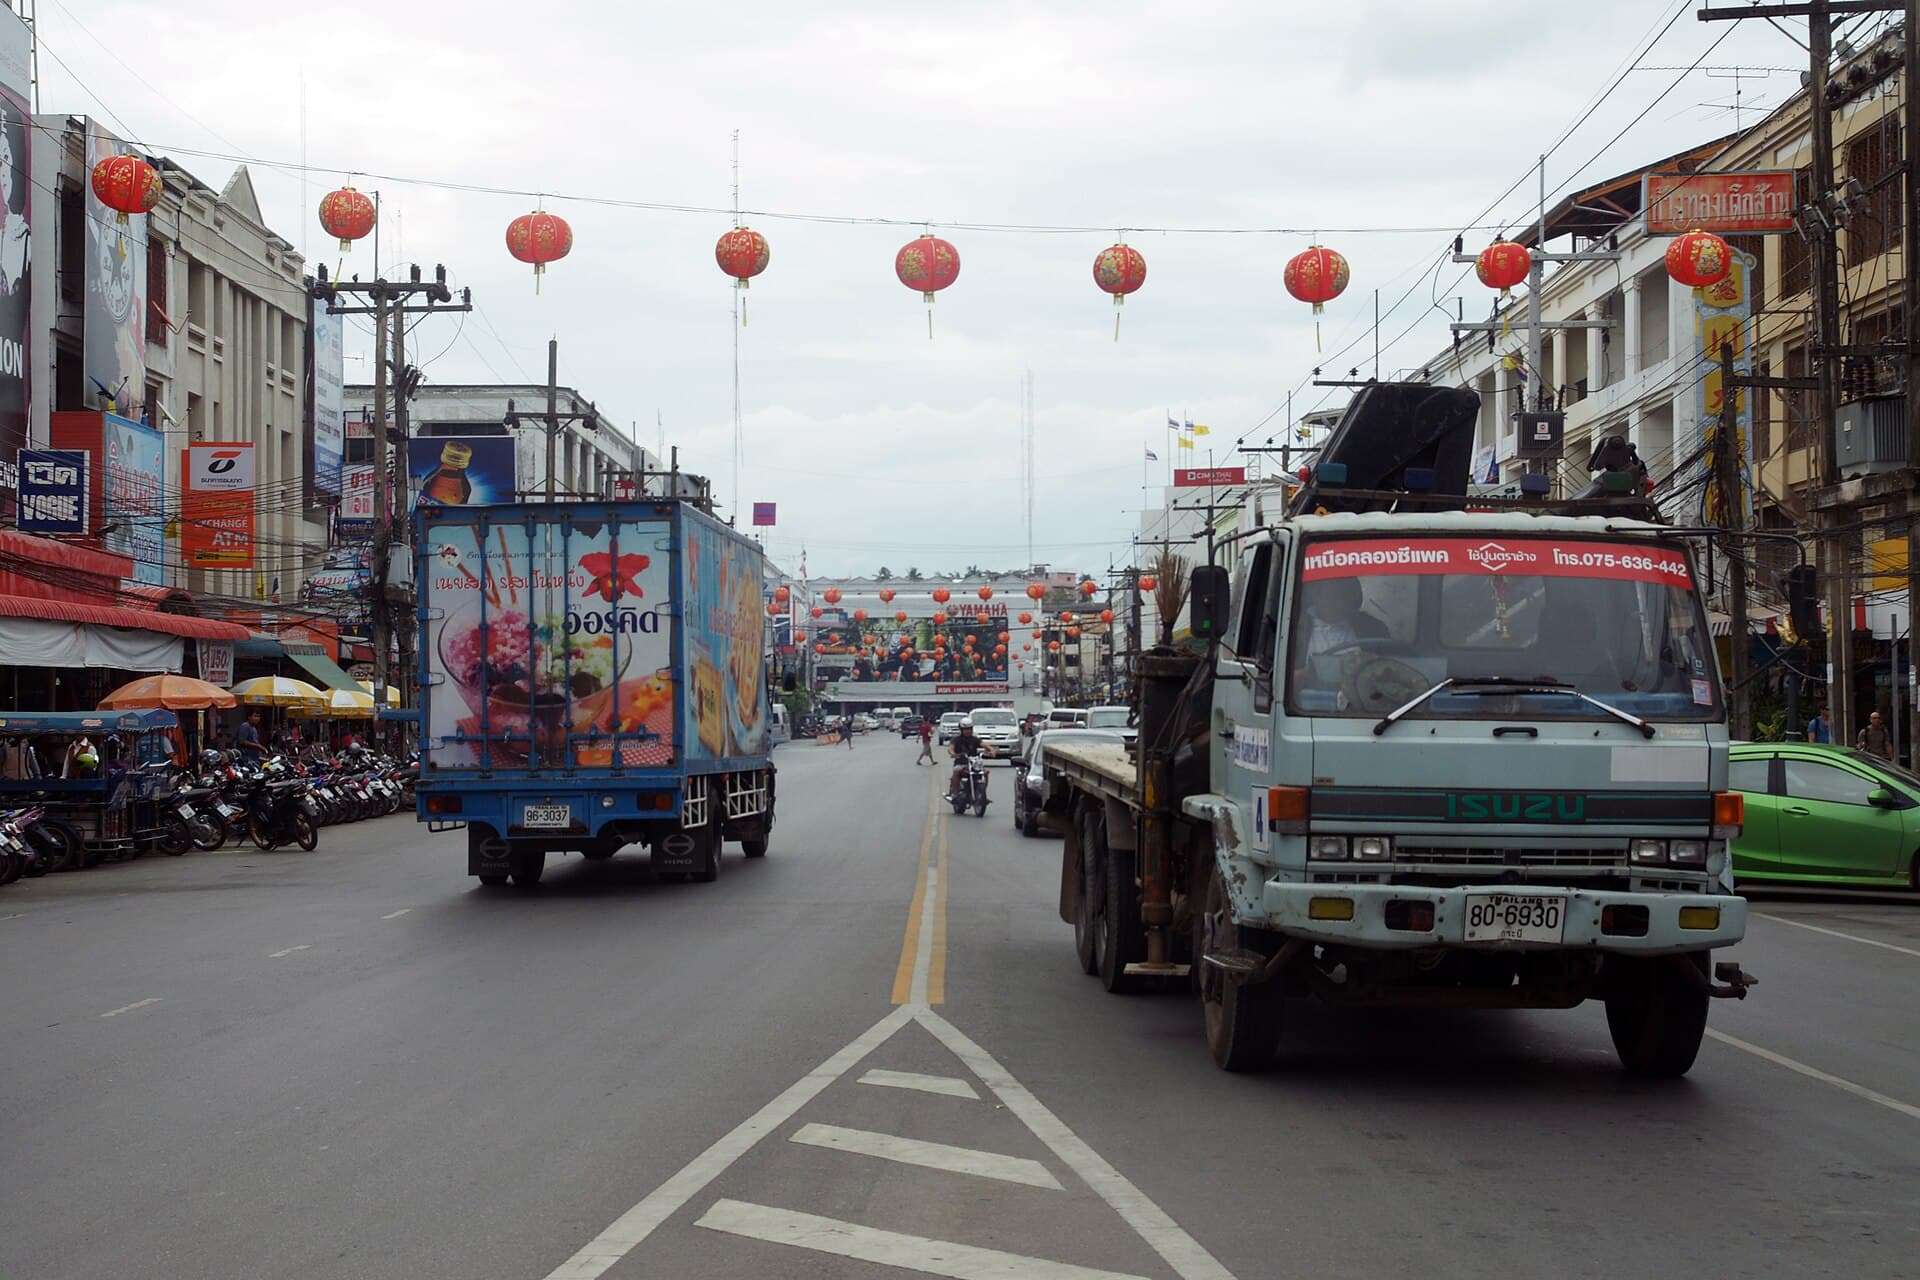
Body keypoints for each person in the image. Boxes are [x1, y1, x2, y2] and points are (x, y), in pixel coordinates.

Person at [947, 716, 980, 800]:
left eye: (969, 729)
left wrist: (991, 750)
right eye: (965, 729)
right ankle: (955, 793)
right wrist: (954, 754)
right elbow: (950, 748)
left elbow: (984, 745)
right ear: (961, 730)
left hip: (973, 764)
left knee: (985, 773)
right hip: (961, 763)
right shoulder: (956, 739)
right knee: (956, 771)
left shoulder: (974, 739)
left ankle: (981, 795)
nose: (968, 731)